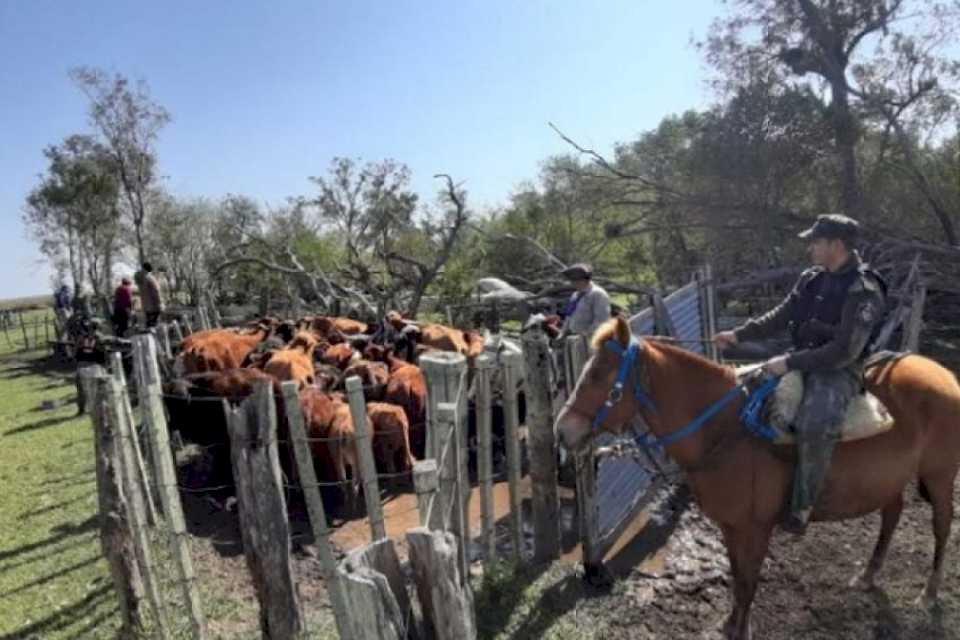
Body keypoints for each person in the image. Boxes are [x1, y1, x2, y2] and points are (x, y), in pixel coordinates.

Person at [713, 214, 886, 534]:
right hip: (801, 357)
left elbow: (843, 351)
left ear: (836, 245)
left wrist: (790, 363)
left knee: (815, 423)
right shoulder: (812, 278)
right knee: (743, 395)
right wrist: (738, 335)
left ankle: (804, 504)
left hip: (838, 370)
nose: (811, 247)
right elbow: (783, 314)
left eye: (816, 242)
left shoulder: (864, 290)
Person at [558, 263, 611, 342]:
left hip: (591, 340)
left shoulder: (597, 294)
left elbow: (602, 321)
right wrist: (562, 333)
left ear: (585, 278)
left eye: (575, 279)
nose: (572, 282)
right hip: (575, 339)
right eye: (571, 279)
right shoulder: (575, 295)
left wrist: (584, 335)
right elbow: (569, 316)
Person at [136, 262, 165, 328]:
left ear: (144, 269)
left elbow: (155, 291)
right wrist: (160, 303)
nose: (141, 270)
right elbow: (156, 291)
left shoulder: (145, 279)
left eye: (142, 268)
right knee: (152, 325)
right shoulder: (148, 278)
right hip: (152, 307)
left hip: (149, 307)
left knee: (150, 325)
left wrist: (159, 303)